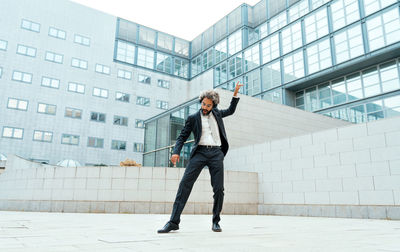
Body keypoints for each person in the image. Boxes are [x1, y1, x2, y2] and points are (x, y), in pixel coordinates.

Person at [157, 82, 243, 233]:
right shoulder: (193, 118)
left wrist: (235, 93)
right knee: (184, 185)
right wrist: (176, 152)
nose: (205, 107)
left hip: (216, 153)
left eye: (208, 105)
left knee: (218, 189)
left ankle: (216, 221)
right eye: (204, 104)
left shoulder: (217, 114)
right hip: (199, 153)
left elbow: (231, 110)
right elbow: (182, 136)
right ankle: (173, 222)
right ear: (201, 102)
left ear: (213, 106)